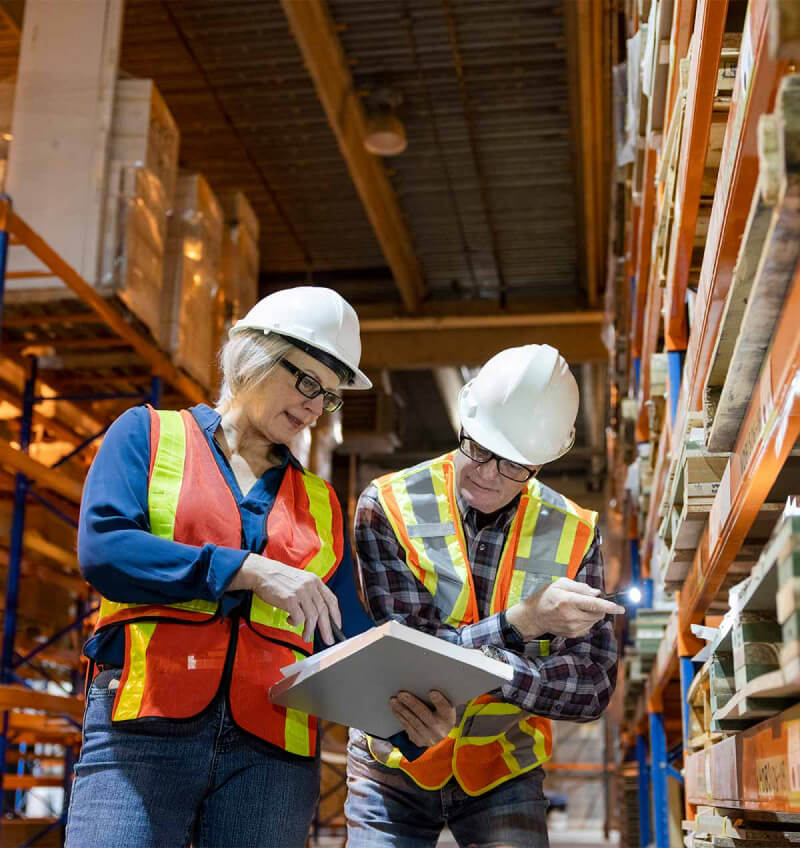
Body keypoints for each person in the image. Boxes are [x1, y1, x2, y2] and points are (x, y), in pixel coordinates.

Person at [66, 287, 375, 848]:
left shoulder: (322, 501)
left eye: (329, 396)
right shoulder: (148, 434)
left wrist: (403, 700)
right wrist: (246, 569)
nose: (314, 406)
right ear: (251, 355)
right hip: (144, 726)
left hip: (272, 753)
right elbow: (106, 551)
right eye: (307, 381)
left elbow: (344, 635)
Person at [346, 344, 624, 848]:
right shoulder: (387, 506)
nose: (487, 473)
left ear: (544, 462)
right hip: (394, 762)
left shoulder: (576, 534)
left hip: (503, 766)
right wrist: (521, 623)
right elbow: (410, 660)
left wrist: (492, 665)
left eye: (514, 464)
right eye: (477, 447)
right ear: (464, 421)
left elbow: (592, 684)